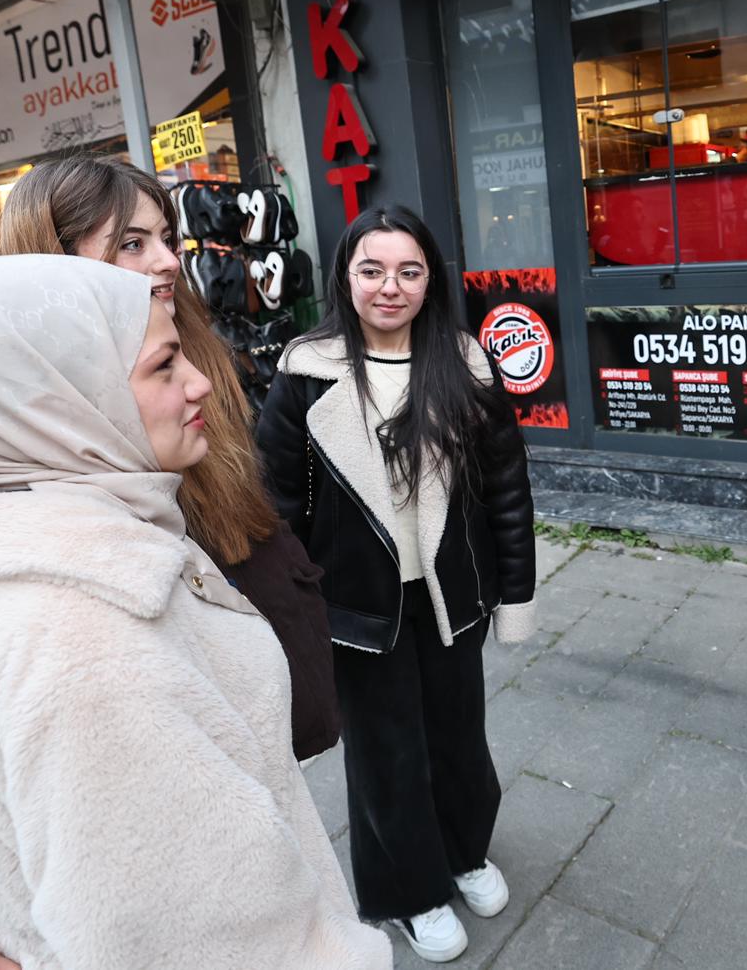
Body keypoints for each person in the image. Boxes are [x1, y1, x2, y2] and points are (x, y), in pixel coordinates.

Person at [0, 156, 342, 970]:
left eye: (168, 236)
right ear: (50, 273)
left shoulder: (183, 362)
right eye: (131, 243)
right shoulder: (30, 480)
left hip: (235, 763)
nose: (168, 260)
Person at [256, 206, 536, 965]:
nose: (391, 287)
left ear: (431, 280)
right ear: (346, 277)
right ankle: (410, 892)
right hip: (357, 607)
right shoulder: (304, 374)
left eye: (409, 271)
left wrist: (515, 595)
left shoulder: (467, 364)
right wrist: (290, 622)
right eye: (372, 270)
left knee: (457, 735)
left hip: (450, 594)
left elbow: (508, 492)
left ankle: (465, 852)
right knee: (386, 756)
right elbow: (277, 508)